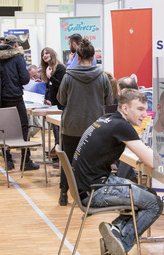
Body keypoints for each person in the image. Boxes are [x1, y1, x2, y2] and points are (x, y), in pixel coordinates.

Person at [71, 88, 163, 255]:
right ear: (125, 109)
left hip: (85, 186)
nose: (144, 114)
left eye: (145, 109)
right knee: (154, 205)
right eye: (140, 109)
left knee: (149, 194)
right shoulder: (122, 126)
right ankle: (118, 246)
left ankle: (115, 231)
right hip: (95, 190)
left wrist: (145, 153)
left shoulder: (107, 118)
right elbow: (153, 162)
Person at [57, 38, 112, 206]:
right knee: (91, 163)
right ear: (93, 56)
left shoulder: (68, 76)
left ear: (78, 56)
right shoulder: (102, 77)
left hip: (71, 127)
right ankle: (89, 195)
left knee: (68, 162)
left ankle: (64, 194)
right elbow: (109, 101)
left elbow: (61, 99)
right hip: (95, 129)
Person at [0, 34, 39, 171]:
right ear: (16, 44)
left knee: (3, 128)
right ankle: (26, 160)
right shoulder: (18, 57)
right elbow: (25, 79)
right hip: (15, 96)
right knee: (24, 126)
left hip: (0, 98)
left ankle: (8, 160)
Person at [40, 47, 66, 164]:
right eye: (43, 54)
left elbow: (61, 85)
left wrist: (50, 77)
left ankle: (58, 155)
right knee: (54, 129)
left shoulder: (60, 68)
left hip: (61, 104)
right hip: (53, 104)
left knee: (59, 130)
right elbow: (49, 87)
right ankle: (56, 154)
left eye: (46, 53)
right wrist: (47, 99)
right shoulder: (46, 68)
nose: (44, 55)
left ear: (52, 54)